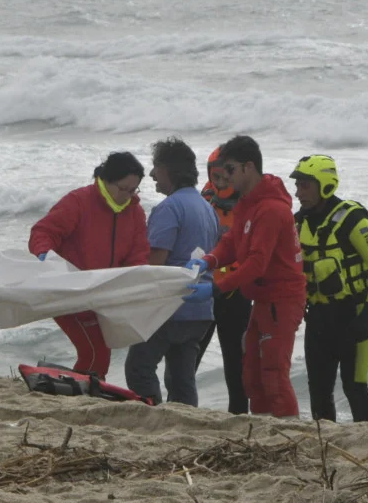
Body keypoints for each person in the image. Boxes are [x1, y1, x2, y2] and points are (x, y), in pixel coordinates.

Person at [183, 136, 306, 417]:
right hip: (261, 299)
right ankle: (264, 429)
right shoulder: (248, 204)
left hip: (281, 300)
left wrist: (216, 289)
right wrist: (209, 260)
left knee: (274, 374)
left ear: (248, 167)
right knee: (251, 375)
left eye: (230, 169)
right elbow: (233, 243)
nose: (224, 178)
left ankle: (289, 430)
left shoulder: (272, 210)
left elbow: (256, 263)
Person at [28, 152, 150, 379]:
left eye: (133, 190)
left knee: (99, 352)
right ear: (106, 180)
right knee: (95, 351)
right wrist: (45, 255)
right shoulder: (79, 201)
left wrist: (136, 282)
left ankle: (81, 388)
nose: (127, 196)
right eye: (123, 188)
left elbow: (138, 255)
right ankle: (86, 394)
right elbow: (43, 232)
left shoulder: (135, 213)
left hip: (102, 296)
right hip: (68, 291)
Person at [290, 154, 368, 423]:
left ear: (325, 184)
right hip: (320, 318)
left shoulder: (353, 219)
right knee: (319, 393)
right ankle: (325, 448)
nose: (298, 193)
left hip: (355, 317)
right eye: (297, 185)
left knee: (355, 388)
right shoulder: (299, 222)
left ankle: (366, 444)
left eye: (304, 186)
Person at [123, 138, 219, 406]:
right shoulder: (206, 207)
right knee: (181, 378)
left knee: (139, 369)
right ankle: (185, 421)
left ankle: (151, 418)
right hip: (200, 310)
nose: (151, 174)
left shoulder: (169, 208)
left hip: (170, 308)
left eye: (156, 167)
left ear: (169, 170)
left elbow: (156, 265)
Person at [196, 146, 253, 414]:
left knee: (237, 365)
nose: (219, 184)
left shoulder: (254, 204)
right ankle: (181, 410)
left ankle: (239, 418)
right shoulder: (203, 199)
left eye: (225, 179)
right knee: (187, 361)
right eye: (214, 177)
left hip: (236, 294)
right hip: (204, 292)